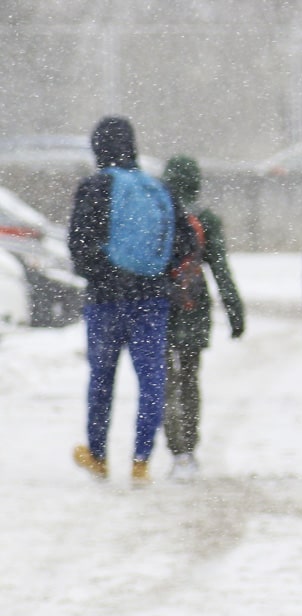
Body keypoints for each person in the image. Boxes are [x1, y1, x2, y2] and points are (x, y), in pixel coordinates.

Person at [69, 116, 195, 486]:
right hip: (152, 299)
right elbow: (185, 242)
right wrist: (155, 274)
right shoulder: (158, 188)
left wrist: (101, 274)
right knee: (151, 378)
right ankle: (141, 459)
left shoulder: (94, 187)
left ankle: (98, 454)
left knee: (102, 378)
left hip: (105, 301)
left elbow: (78, 246)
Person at [161, 155, 246, 481]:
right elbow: (221, 269)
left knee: (167, 379)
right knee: (190, 379)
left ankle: (176, 449)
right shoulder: (205, 220)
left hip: (162, 307)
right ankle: (190, 448)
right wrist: (235, 310)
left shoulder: (160, 214)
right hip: (194, 305)